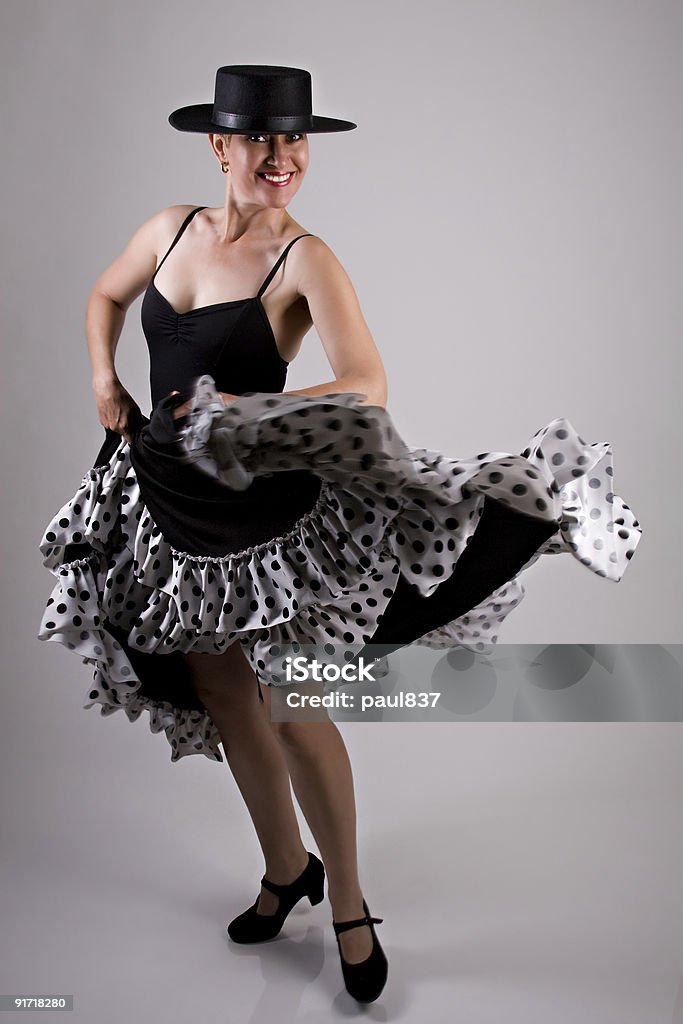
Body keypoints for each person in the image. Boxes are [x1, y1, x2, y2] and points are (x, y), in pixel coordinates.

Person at [37, 65, 642, 1004]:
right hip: (164, 492)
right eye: (263, 139)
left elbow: (365, 380)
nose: (282, 158)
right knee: (218, 683)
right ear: (219, 145)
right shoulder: (169, 229)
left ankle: (350, 902)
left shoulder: (303, 258)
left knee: (293, 701)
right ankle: (287, 870)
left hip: (264, 507)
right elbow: (103, 300)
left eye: (296, 141)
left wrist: (251, 403)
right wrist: (103, 381)